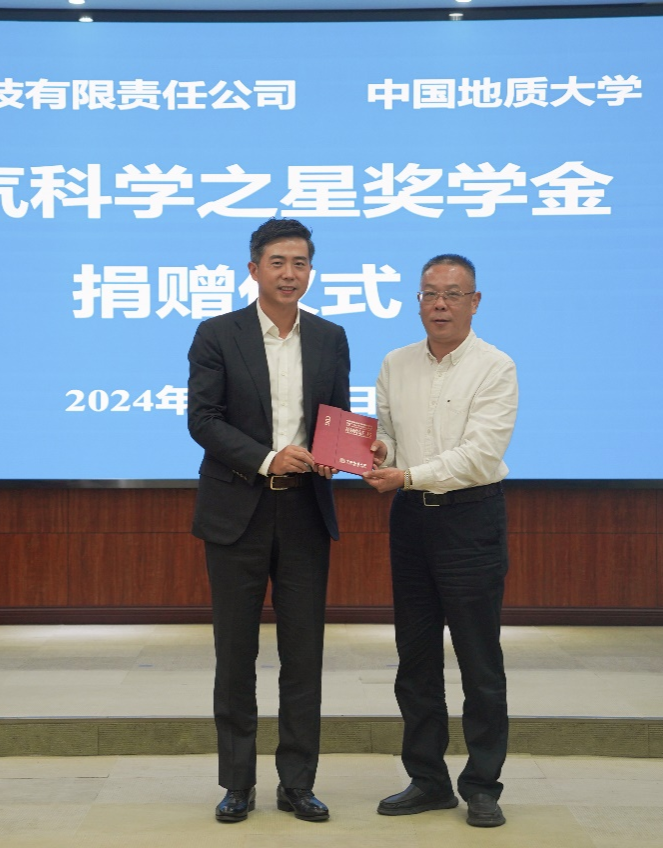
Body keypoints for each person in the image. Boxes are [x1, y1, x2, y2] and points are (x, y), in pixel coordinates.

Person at [187, 218, 350, 824]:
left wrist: (340, 454)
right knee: (235, 654)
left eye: (300, 262)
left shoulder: (330, 337)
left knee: (303, 655)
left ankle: (297, 783)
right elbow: (203, 420)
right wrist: (266, 458)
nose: (289, 273)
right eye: (278, 262)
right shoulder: (217, 334)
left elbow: (335, 418)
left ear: (311, 271)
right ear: (254, 269)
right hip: (238, 511)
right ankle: (237, 784)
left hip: (306, 510)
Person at [362, 253, 518, 829]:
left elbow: (479, 455)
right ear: (418, 301)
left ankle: (482, 785)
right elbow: (388, 438)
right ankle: (428, 780)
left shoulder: (495, 367)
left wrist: (406, 474)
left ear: (475, 302)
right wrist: (378, 453)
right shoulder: (395, 363)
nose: (440, 304)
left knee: (479, 660)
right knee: (416, 659)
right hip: (410, 522)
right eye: (430, 293)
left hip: (470, 520)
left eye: (453, 294)